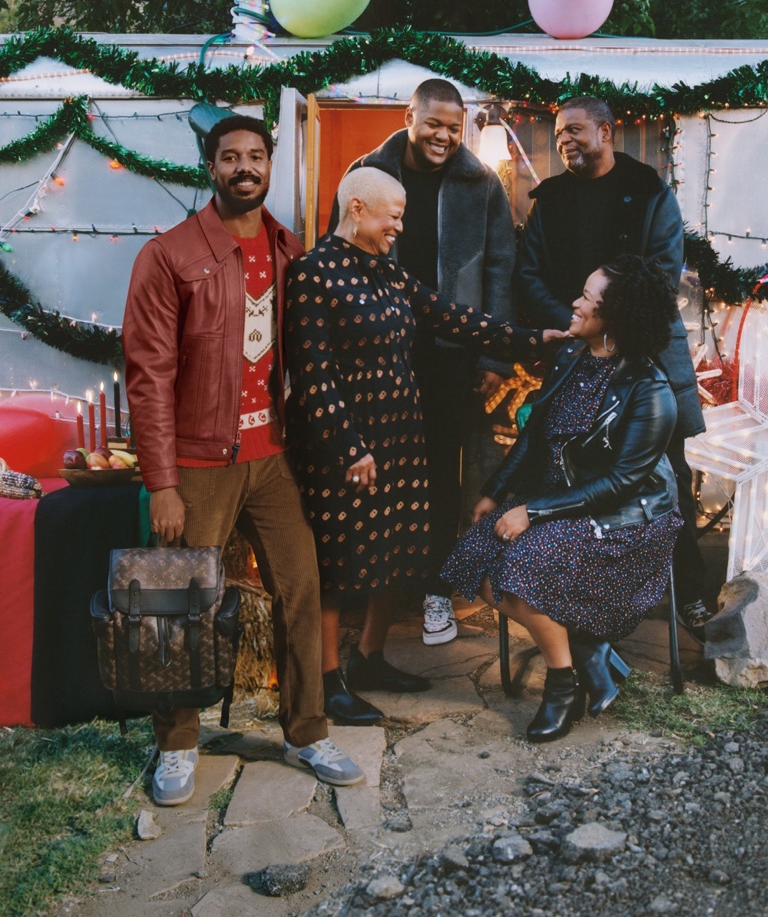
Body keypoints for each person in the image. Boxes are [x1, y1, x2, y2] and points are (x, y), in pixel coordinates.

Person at [122, 115, 363, 805]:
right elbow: (148, 374)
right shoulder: (168, 256)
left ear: (268, 164)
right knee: (174, 598)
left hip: (272, 455)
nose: (244, 168)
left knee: (300, 588)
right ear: (210, 167)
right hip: (198, 462)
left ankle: (307, 731)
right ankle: (175, 743)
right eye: (230, 157)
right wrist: (161, 482)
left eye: (255, 156)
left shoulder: (290, 249)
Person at [286, 167, 566, 726]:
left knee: (392, 553)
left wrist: (532, 339)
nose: (400, 226)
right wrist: (348, 448)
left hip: (400, 436)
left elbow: (452, 317)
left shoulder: (388, 271)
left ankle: (369, 659)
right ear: (357, 208)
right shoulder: (312, 273)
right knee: (338, 565)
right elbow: (312, 372)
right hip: (349, 447)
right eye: (393, 215)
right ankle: (326, 682)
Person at [439, 255, 683, 742]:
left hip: (624, 519)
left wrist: (532, 511)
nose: (574, 302)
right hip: (559, 501)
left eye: (587, 298)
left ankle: (562, 685)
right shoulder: (571, 356)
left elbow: (621, 484)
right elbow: (535, 439)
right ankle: (587, 647)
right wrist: (495, 492)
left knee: (520, 569)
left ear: (615, 314)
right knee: (476, 557)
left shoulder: (650, 390)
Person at [515, 95, 714, 642]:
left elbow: (660, 273)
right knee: (565, 470)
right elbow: (528, 273)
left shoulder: (649, 192)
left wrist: (608, 324)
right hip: (572, 356)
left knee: (667, 477)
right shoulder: (549, 200)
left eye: (575, 130)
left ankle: (689, 594)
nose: (564, 141)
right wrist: (575, 324)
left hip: (646, 355)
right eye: (558, 134)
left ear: (606, 132)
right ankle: (577, 598)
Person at [328, 78, 517, 647]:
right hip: (377, 348)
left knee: (440, 473)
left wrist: (494, 352)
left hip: (450, 353)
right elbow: (336, 245)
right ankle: (373, 587)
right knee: (374, 466)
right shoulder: (368, 170)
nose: (442, 136)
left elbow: (501, 267)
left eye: (453, 128)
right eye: (433, 123)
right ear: (410, 115)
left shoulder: (482, 183)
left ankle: (435, 587)